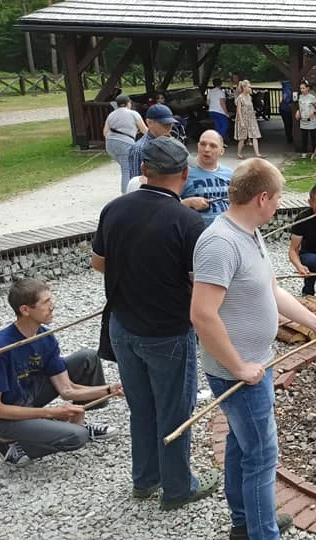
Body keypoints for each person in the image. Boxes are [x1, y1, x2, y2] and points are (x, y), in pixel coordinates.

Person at [191, 158, 316, 540]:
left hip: (256, 362)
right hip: (239, 372)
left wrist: (315, 321)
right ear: (261, 197)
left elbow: (272, 291)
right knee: (261, 458)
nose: (278, 206)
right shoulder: (220, 243)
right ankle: (263, 532)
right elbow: (203, 316)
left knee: (242, 447)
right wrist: (239, 366)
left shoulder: (250, 233)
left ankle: (244, 522)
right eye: (276, 199)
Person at [92, 136, 221, 510]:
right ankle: (178, 488)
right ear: (184, 173)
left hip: (122, 327)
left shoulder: (114, 209)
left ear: (144, 171)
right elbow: (201, 282)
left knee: (142, 407)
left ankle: (145, 479)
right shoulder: (187, 220)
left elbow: (98, 263)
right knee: (174, 411)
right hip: (167, 333)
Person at [0, 279, 120, 465]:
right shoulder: (2, 348)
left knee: (87, 358)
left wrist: (111, 389)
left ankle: (78, 422)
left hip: (28, 396)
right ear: (25, 310)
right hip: (4, 416)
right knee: (77, 436)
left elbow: (67, 389)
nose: (52, 305)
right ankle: (11, 444)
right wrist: (50, 413)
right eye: (46, 302)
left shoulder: (44, 336)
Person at [179, 130, 233, 228]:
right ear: (198, 146)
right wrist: (188, 203)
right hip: (195, 233)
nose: (207, 149)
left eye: (213, 146)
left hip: (225, 233)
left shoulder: (230, 174)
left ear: (222, 151)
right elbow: (166, 205)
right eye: (203, 144)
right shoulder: (184, 173)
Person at [104, 94, 147, 193]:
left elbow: (105, 132)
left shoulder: (111, 115)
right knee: (127, 169)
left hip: (110, 144)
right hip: (125, 143)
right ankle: (126, 193)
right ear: (128, 104)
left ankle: (133, 189)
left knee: (126, 167)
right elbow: (144, 130)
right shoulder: (133, 114)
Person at [127, 103, 176, 180]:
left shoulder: (173, 143)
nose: (169, 127)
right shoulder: (139, 149)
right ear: (149, 123)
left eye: (170, 124)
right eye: (164, 124)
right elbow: (136, 181)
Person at [235, 80, 265, 160]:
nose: (250, 88)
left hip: (251, 118)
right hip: (243, 119)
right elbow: (238, 111)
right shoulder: (240, 98)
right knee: (243, 137)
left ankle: (257, 153)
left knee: (255, 135)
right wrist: (241, 121)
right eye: (249, 87)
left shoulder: (249, 97)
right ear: (244, 87)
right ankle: (239, 153)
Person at [297, 82, 316, 156]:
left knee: (313, 137)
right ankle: (304, 153)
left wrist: (314, 112)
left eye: (303, 88)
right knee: (304, 137)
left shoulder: (312, 97)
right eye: (301, 88)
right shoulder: (300, 97)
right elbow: (300, 107)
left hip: (311, 120)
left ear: (307, 88)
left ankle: (314, 153)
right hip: (303, 119)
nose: (302, 90)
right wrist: (298, 112)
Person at [207, 78, 230, 142]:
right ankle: (219, 140)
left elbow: (207, 102)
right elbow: (222, 103)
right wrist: (226, 113)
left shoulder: (210, 92)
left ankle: (217, 140)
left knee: (217, 126)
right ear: (220, 84)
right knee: (225, 126)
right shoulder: (221, 92)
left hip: (211, 111)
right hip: (220, 111)